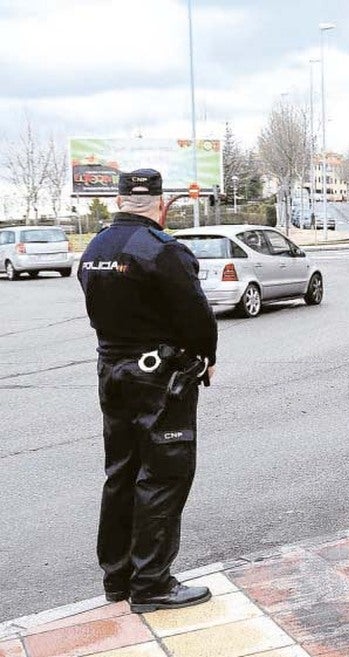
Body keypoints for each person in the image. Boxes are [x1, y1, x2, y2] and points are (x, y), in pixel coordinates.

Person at [78, 169, 218, 612]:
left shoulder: (95, 248)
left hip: (112, 371)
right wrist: (205, 357)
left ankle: (118, 578)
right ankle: (153, 584)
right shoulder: (162, 251)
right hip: (159, 378)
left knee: (121, 472)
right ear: (162, 204)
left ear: (119, 201)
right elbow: (197, 314)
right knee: (163, 473)